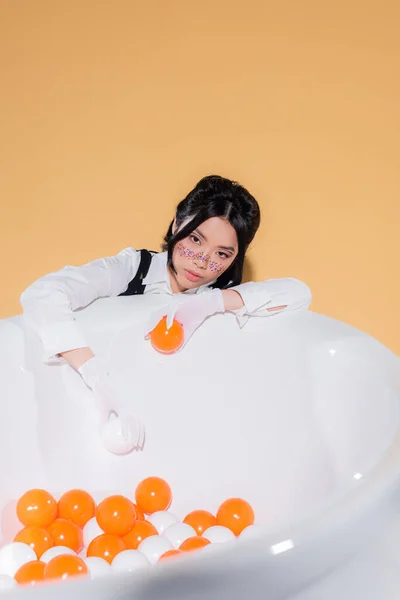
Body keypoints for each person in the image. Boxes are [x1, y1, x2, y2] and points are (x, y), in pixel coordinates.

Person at [20, 175, 312, 450]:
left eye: (222, 254)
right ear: (176, 225)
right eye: (195, 240)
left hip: (173, 430)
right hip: (98, 418)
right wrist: (95, 375)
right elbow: (43, 293)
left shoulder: (222, 298)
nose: (201, 261)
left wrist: (210, 304)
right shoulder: (133, 270)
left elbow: (298, 293)